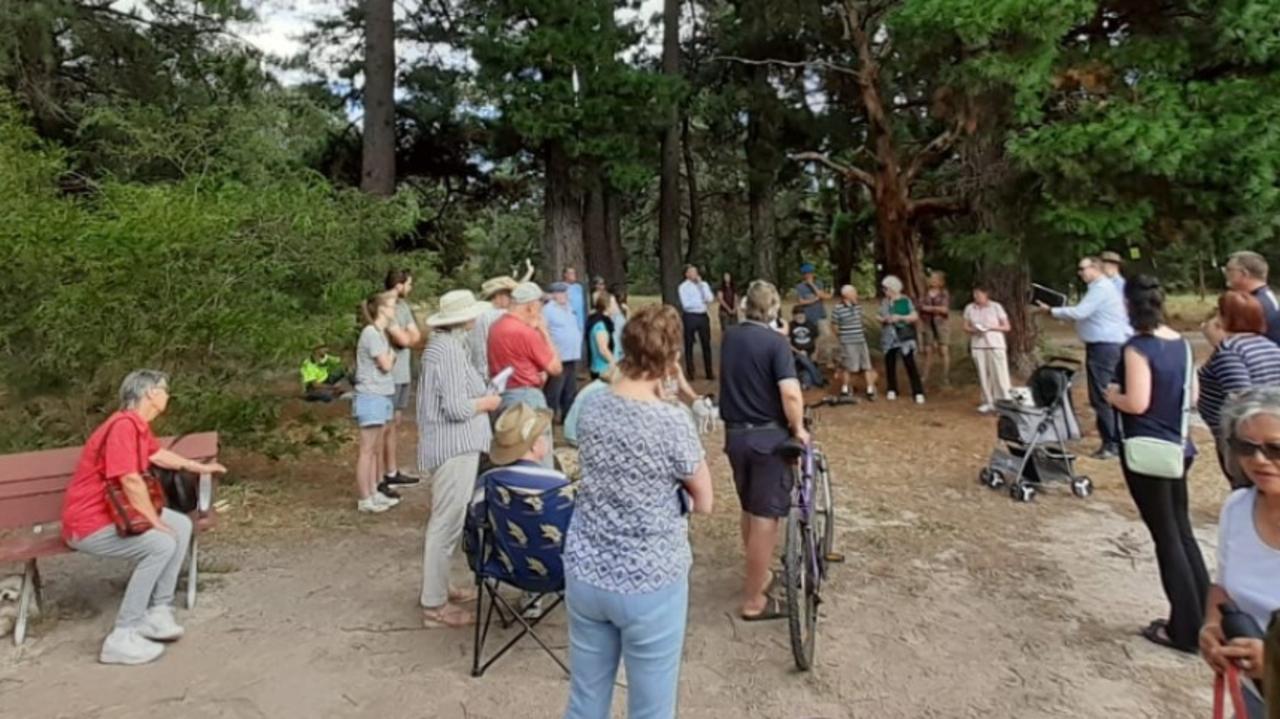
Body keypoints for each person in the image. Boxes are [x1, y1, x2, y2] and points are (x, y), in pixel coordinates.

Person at [562, 303, 713, 719]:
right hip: (650, 578)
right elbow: (705, 500)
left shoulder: (591, 405)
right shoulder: (672, 422)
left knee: (585, 700)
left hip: (587, 567)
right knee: (650, 708)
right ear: (671, 359)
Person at [61, 370, 228, 665]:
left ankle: (157, 612)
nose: (168, 395)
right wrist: (153, 521)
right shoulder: (123, 426)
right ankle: (122, 635)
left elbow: (157, 456)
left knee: (181, 524)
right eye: (165, 390)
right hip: (88, 525)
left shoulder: (135, 426)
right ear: (151, 393)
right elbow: (130, 480)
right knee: (161, 542)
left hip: (111, 515)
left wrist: (199, 468)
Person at [1105, 275, 1207, 654]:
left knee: (1166, 538)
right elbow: (1192, 396)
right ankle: (1202, 618)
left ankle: (1184, 629)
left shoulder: (1137, 348)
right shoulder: (1181, 344)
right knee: (1183, 532)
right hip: (1179, 448)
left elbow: (1137, 402)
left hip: (1148, 451)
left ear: (1129, 307)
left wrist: (1113, 394)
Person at [719, 280, 808, 621]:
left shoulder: (730, 338)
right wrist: (798, 429)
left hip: (736, 435)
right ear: (773, 309)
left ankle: (761, 573)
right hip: (768, 437)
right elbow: (789, 393)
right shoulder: (775, 343)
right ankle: (755, 599)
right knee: (765, 516)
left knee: (749, 507)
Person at [417, 290, 501, 629]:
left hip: (457, 444)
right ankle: (434, 605)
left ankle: (438, 587)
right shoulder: (447, 351)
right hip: (454, 446)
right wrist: (486, 404)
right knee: (446, 523)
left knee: (448, 522)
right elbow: (455, 407)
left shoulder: (447, 347)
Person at [1199, 387, 1280, 719]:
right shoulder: (1236, 509)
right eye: (1245, 447)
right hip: (1256, 695)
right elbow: (1224, 588)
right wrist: (1212, 625)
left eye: (1275, 448)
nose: (1259, 460)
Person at [1040, 256, 1132, 459]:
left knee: (1101, 395)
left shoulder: (1101, 288)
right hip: (1107, 345)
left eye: (1083, 269)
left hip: (1104, 347)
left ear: (1095, 268)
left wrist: (1052, 311)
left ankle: (1111, 443)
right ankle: (1116, 438)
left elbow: (1081, 312)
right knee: (1109, 391)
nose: (1080, 273)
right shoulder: (1100, 288)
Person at [1198, 291, 1280, 487]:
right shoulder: (1269, 345)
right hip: (1268, 429)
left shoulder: (1230, 351)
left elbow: (1240, 398)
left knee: (1246, 486)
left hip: (1245, 438)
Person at [488, 281, 563, 468]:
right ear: (530, 306)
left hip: (504, 395)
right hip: (527, 397)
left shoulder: (496, 327)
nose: (541, 311)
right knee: (539, 453)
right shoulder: (525, 333)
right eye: (540, 305)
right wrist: (544, 331)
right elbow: (555, 367)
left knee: (512, 452)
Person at [353, 291, 403, 514]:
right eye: (392, 306)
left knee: (374, 449)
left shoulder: (380, 333)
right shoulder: (372, 333)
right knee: (367, 449)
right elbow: (385, 364)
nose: (395, 310)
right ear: (382, 309)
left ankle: (374, 491)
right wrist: (391, 356)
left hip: (381, 394)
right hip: (370, 395)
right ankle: (365, 497)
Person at [382, 269, 423, 494]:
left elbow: (414, 337)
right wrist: (406, 338)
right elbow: (403, 339)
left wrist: (407, 338)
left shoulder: (404, 307)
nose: (410, 288)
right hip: (389, 376)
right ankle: (382, 475)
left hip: (402, 373)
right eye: (408, 284)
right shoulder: (384, 308)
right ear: (399, 285)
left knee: (395, 424)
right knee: (385, 426)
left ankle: (391, 471)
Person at [963, 284, 1013, 413]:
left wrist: (991, 327)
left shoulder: (996, 307)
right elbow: (965, 326)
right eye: (974, 294)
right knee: (983, 374)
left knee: (999, 374)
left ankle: (1004, 401)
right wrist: (974, 329)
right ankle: (988, 401)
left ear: (986, 295)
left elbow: (1007, 327)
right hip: (978, 345)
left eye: (979, 294)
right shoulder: (970, 308)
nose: (976, 297)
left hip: (995, 344)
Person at [879, 275, 926, 404]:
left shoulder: (905, 300)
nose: (885, 291)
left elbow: (914, 316)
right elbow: (881, 315)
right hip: (889, 337)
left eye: (886, 289)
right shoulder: (885, 302)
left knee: (910, 364)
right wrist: (884, 319)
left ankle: (918, 391)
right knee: (890, 363)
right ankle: (892, 389)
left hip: (904, 336)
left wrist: (900, 317)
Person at [543, 282, 584, 423]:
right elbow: (544, 330)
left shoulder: (569, 308)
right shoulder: (548, 310)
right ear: (554, 294)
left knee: (570, 389)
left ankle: (568, 417)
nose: (564, 296)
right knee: (554, 390)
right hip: (558, 356)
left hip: (571, 355)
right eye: (561, 293)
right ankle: (549, 417)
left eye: (565, 292)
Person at [1224, 251, 1280, 346]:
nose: (1226, 273)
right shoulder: (1267, 297)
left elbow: (1240, 347)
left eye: (1229, 269)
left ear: (1244, 273)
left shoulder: (1252, 304)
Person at [831, 284, 876, 400]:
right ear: (847, 295)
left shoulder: (858, 307)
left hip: (860, 340)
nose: (856, 294)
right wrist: (841, 337)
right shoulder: (838, 308)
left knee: (867, 365)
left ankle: (870, 389)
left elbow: (861, 320)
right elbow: (834, 325)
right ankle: (845, 389)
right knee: (848, 366)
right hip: (848, 342)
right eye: (854, 292)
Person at [471, 275, 518, 378]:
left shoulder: (482, 315)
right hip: (499, 374)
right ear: (499, 297)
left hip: (493, 373)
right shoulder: (490, 316)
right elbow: (482, 348)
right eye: (509, 296)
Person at [678, 265, 715, 380]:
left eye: (696, 271)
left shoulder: (703, 285)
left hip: (703, 316)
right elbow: (686, 304)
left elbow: (710, 299)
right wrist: (700, 303)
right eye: (692, 272)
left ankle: (709, 372)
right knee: (689, 344)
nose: (695, 274)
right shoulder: (683, 287)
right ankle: (690, 372)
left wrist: (701, 287)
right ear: (687, 274)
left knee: (706, 344)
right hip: (690, 316)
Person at [918, 271, 952, 387]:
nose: (932, 280)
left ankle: (945, 377)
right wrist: (936, 309)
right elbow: (921, 307)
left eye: (935, 279)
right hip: (928, 324)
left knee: (943, 350)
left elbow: (945, 310)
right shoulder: (925, 293)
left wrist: (930, 308)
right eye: (931, 278)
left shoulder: (944, 293)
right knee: (928, 351)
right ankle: (925, 376)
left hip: (941, 324)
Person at [788, 308, 825, 389]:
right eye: (797, 316)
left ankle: (807, 383)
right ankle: (819, 381)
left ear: (804, 315)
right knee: (803, 359)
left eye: (801, 316)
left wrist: (816, 352)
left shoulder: (811, 324)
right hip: (796, 353)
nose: (800, 318)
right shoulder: (790, 326)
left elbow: (816, 340)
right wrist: (798, 352)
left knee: (806, 371)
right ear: (793, 316)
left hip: (810, 352)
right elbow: (787, 343)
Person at [586, 292, 617, 380]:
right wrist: (614, 364)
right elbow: (603, 349)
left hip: (601, 368)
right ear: (607, 306)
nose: (615, 306)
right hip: (602, 370)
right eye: (613, 303)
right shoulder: (601, 325)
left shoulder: (601, 320)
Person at [564, 266, 588, 336]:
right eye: (571, 273)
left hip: (581, 322)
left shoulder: (579, 287)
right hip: (569, 322)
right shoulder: (562, 288)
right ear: (565, 275)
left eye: (574, 273)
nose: (574, 275)